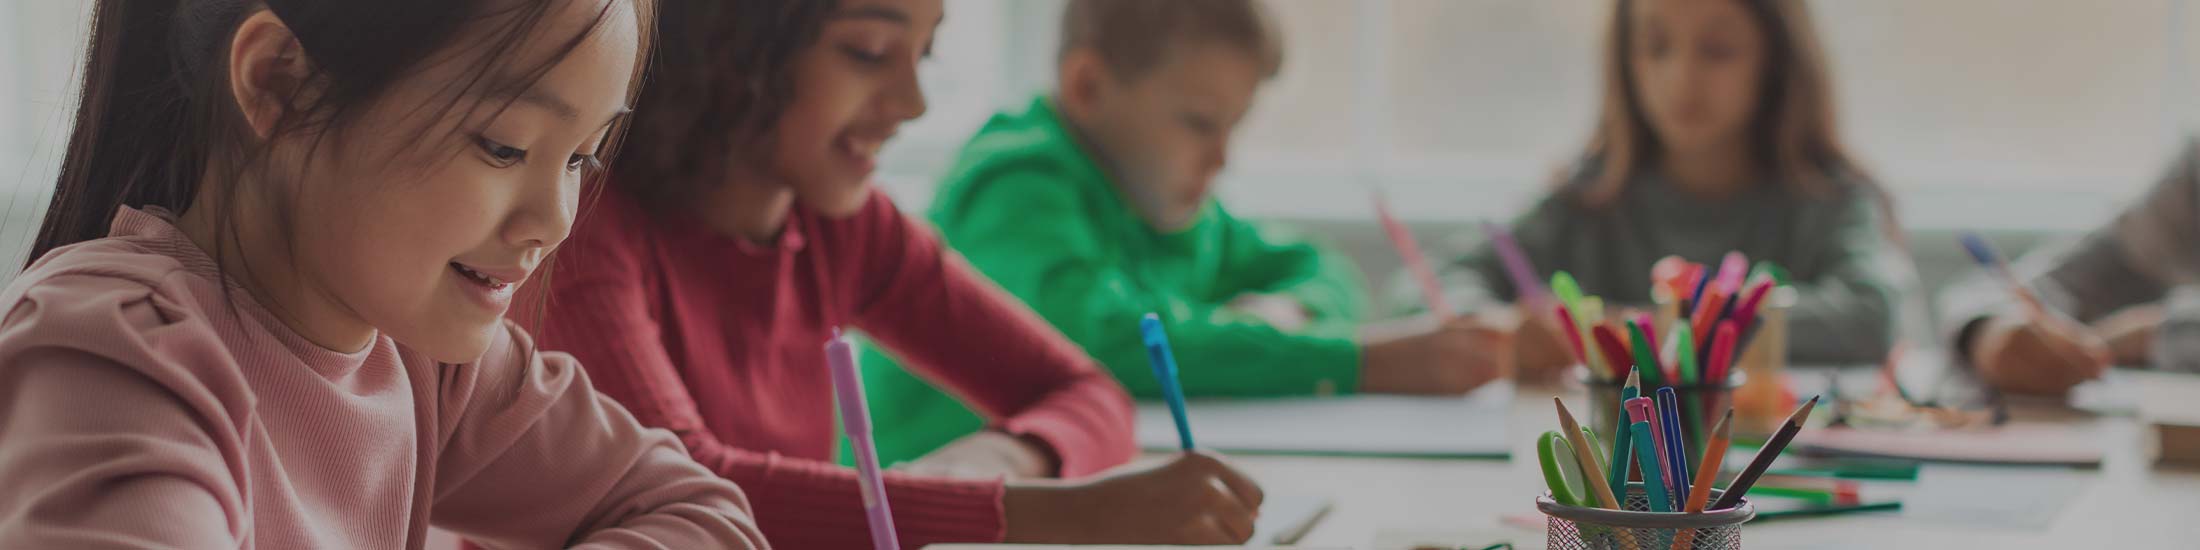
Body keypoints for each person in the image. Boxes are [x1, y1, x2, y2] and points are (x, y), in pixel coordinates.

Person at [0, 0, 769, 547]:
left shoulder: (423, 362)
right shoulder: (115, 360)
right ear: (281, 84)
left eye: (581, 157)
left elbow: (701, 513)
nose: (558, 218)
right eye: (503, 146)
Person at [523, 0, 1265, 546]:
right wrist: (1067, 512)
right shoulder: (584, 225)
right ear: (730, 44)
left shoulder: (842, 224)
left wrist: (995, 459)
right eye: (870, 52)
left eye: (925, 54)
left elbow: (1087, 392)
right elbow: (686, 491)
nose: (912, 103)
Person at [1411, 0, 1916, 373]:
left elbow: (1872, 316)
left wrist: (1652, 329)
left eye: (1718, 51)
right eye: (1654, 47)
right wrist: (1498, 331)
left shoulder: (1827, 199)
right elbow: (1425, 284)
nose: (1681, 79)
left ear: (1776, 60)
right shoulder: (1587, 199)